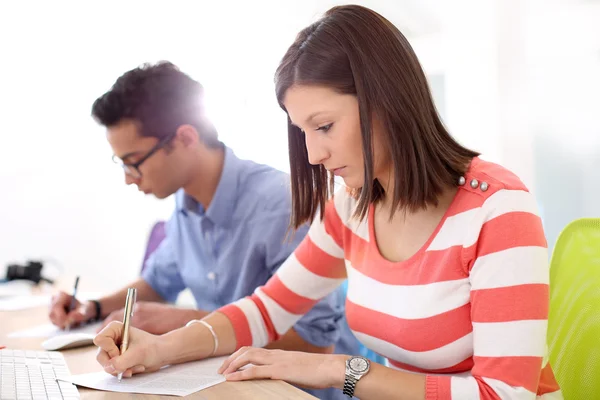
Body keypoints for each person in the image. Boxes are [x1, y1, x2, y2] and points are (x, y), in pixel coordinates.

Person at [93, 5, 563, 400]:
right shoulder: (354, 207)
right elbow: (266, 309)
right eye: (303, 132)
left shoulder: (497, 210)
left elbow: (506, 393)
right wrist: (160, 350)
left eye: (324, 126)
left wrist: (343, 371)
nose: (314, 155)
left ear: (387, 101)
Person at [48, 61, 361, 400]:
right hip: (220, 381)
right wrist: (93, 307)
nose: (128, 177)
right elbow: (158, 280)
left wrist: (185, 323)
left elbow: (316, 344)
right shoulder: (185, 207)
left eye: (133, 161)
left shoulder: (281, 204)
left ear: (185, 138)